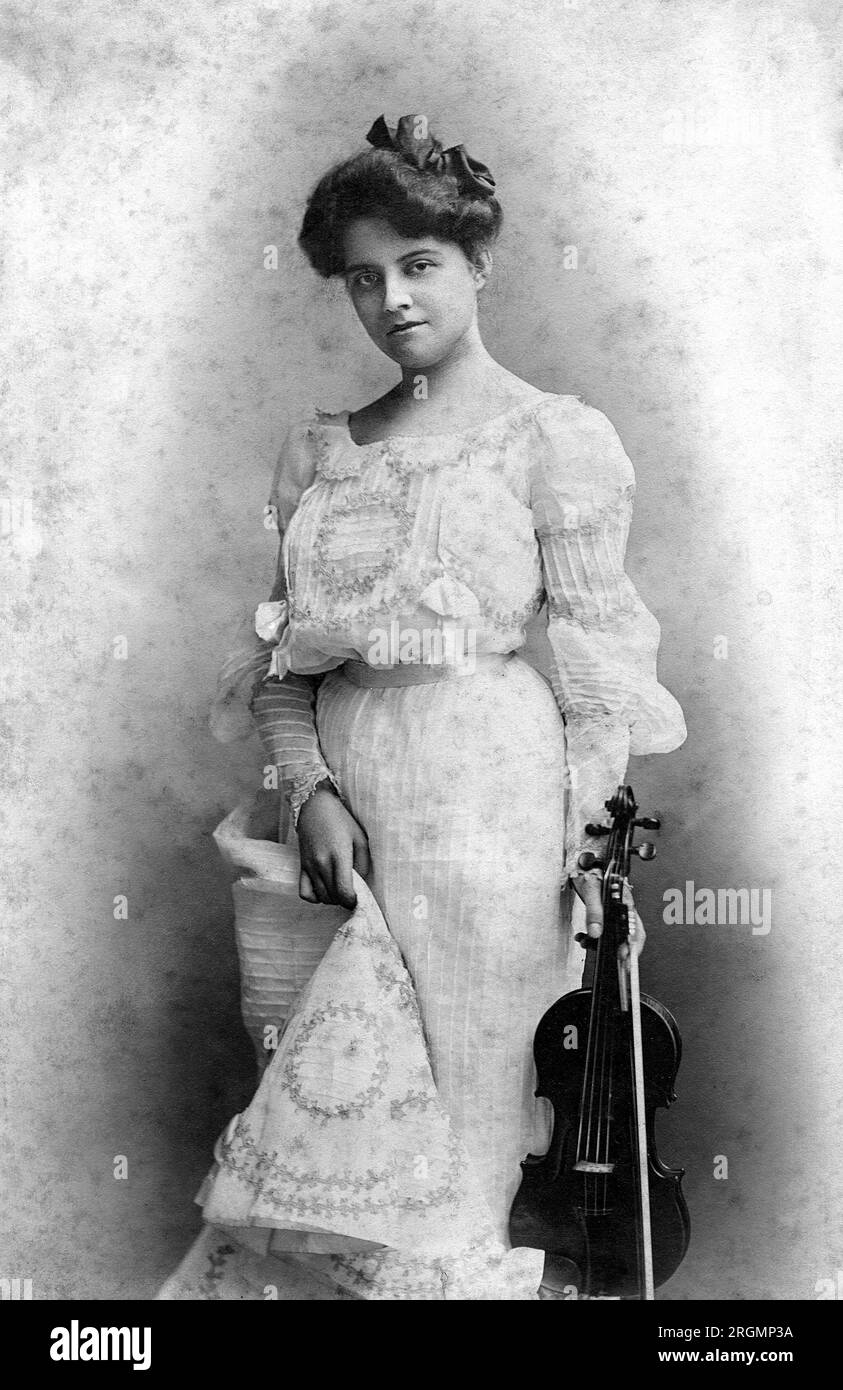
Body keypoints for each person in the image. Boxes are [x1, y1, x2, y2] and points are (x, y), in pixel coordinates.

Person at [157, 113, 686, 1301]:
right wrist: (311, 794)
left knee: (487, 1080)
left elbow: (601, 660)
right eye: (362, 278)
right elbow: (283, 664)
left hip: (492, 793)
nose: (392, 299)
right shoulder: (319, 453)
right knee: (346, 1079)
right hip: (350, 795)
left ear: (477, 263)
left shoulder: (553, 438)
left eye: (419, 264)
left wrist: (593, 852)